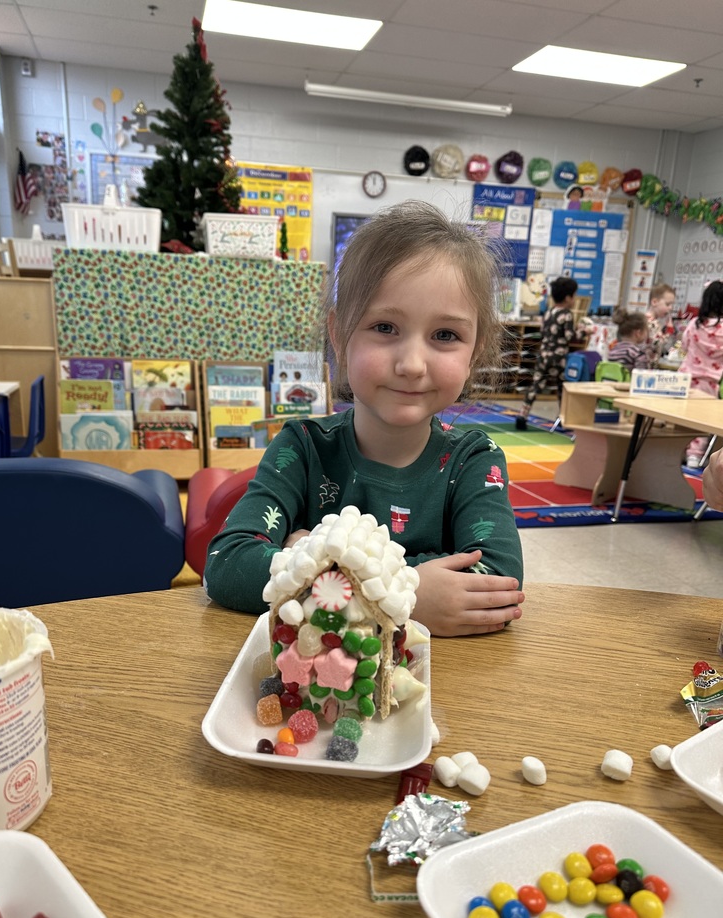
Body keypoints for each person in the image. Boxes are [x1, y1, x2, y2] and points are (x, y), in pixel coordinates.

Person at [204, 201, 524, 638]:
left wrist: (310, 555)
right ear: (340, 336)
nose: (412, 364)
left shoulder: (474, 460)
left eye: (445, 335)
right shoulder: (303, 446)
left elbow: (497, 584)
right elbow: (226, 565)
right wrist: (410, 593)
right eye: (385, 327)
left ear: (475, 350)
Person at [515, 276, 592, 430]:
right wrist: (585, 332)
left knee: (536, 385)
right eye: (574, 296)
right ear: (568, 297)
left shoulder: (549, 312)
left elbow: (544, 331)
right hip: (559, 357)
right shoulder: (567, 314)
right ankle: (562, 417)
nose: (574, 299)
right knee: (563, 387)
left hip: (544, 354)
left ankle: (523, 415)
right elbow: (570, 336)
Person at [679, 279, 723, 467]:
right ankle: (695, 456)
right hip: (709, 382)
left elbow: (684, 346)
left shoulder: (694, 324)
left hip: (686, 378)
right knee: (702, 419)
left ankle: (678, 449)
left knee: (682, 417)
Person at [646, 282, 676, 362]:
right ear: (654, 302)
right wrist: (669, 330)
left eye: (672, 305)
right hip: (646, 364)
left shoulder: (648, 320)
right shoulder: (651, 323)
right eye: (667, 304)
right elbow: (659, 343)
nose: (670, 308)